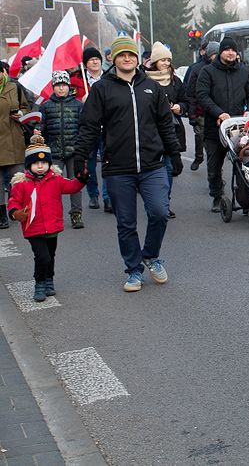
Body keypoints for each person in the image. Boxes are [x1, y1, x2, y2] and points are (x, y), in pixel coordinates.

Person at [72, 35, 183, 292]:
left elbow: (165, 124)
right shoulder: (102, 89)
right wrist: (81, 158)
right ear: (114, 58)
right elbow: (88, 127)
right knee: (126, 223)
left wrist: (174, 153)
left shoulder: (150, 87)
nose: (127, 59)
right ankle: (134, 270)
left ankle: (151, 255)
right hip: (117, 167)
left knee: (159, 212)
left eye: (131, 55)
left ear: (137, 58)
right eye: (122, 55)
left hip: (152, 164)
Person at [8, 135, 88, 302]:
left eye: (44, 163)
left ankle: (49, 280)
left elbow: (71, 187)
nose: (40, 166)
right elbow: (13, 202)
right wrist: (15, 213)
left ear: (49, 164)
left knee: (50, 255)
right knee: (42, 256)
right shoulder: (21, 184)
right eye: (36, 163)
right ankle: (39, 283)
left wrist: (81, 179)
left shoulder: (56, 179)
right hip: (33, 228)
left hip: (52, 226)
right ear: (29, 165)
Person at [196, 36, 249, 212]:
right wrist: (218, 112)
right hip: (214, 127)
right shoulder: (208, 72)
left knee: (242, 164)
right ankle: (217, 196)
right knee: (215, 165)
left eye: (233, 50)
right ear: (220, 52)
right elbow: (202, 96)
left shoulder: (243, 72)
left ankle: (245, 200)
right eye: (227, 50)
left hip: (238, 128)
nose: (230, 53)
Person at [145, 42, 188, 217]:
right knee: (153, 169)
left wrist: (180, 107)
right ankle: (154, 201)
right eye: (162, 60)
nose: (165, 63)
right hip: (150, 130)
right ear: (154, 61)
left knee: (169, 167)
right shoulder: (144, 80)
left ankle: (164, 202)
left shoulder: (175, 81)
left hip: (171, 129)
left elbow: (186, 101)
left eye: (168, 60)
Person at [40, 71, 85, 229]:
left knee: (75, 183)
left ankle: (76, 213)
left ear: (68, 86)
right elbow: (43, 128)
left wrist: (83, 148)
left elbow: (83, 128)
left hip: (74, 151)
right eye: (57, 85)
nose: (61, 89)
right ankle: (54, 214)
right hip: (54, 152)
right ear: (53, 87)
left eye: (63, 85)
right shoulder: (45, 106)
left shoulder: (78, 105)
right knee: (53, 186)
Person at [0, 61, 30, 230]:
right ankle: (1, 214)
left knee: (17, 179)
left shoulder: (15, 87)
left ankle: (17, 209)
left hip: (13, 139)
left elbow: (26, 107)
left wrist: (21, 114)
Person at [81, 46, 111, 211]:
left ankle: (108, 197)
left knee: (107, 163)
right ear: (85, 64)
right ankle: (93, 195)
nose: (94, 62)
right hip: (88, 128)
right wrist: (82, 101)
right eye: (91, 60)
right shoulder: (79, 81)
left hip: (106, 127)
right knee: (90, 164)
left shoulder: (108, 79)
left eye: (97, 59)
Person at [184, 41, 218, 171]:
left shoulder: (221, 68)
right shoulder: (196, 69)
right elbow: (190, 93)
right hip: (200, 112)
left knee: (214, 146)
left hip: (217, 112)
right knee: (201, 137)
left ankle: (216, 177)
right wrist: (191, 113)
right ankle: (199, 157)